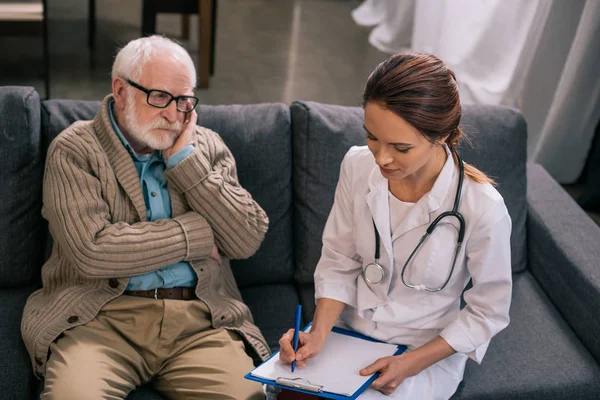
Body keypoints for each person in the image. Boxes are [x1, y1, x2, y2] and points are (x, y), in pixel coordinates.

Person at [21, 35, 269, 400]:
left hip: (200, 322)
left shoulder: (207, 146)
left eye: (184, 100)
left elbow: (246, 238)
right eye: (159, 98)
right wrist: (200, 234)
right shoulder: (75, 150)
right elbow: (93, 252)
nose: (173, 114)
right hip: (100, 320)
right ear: (121, 91)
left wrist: (187, 164)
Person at [278, 53, 512, 399]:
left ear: (443, 135)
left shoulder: (482, 208)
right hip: (347, 334)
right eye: (372, 137)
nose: (381, 157)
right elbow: (340, 259)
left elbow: (487, 312)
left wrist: (411, 363)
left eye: (400, 147)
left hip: (418, 350)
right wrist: (319, 334)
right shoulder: (357, 167)